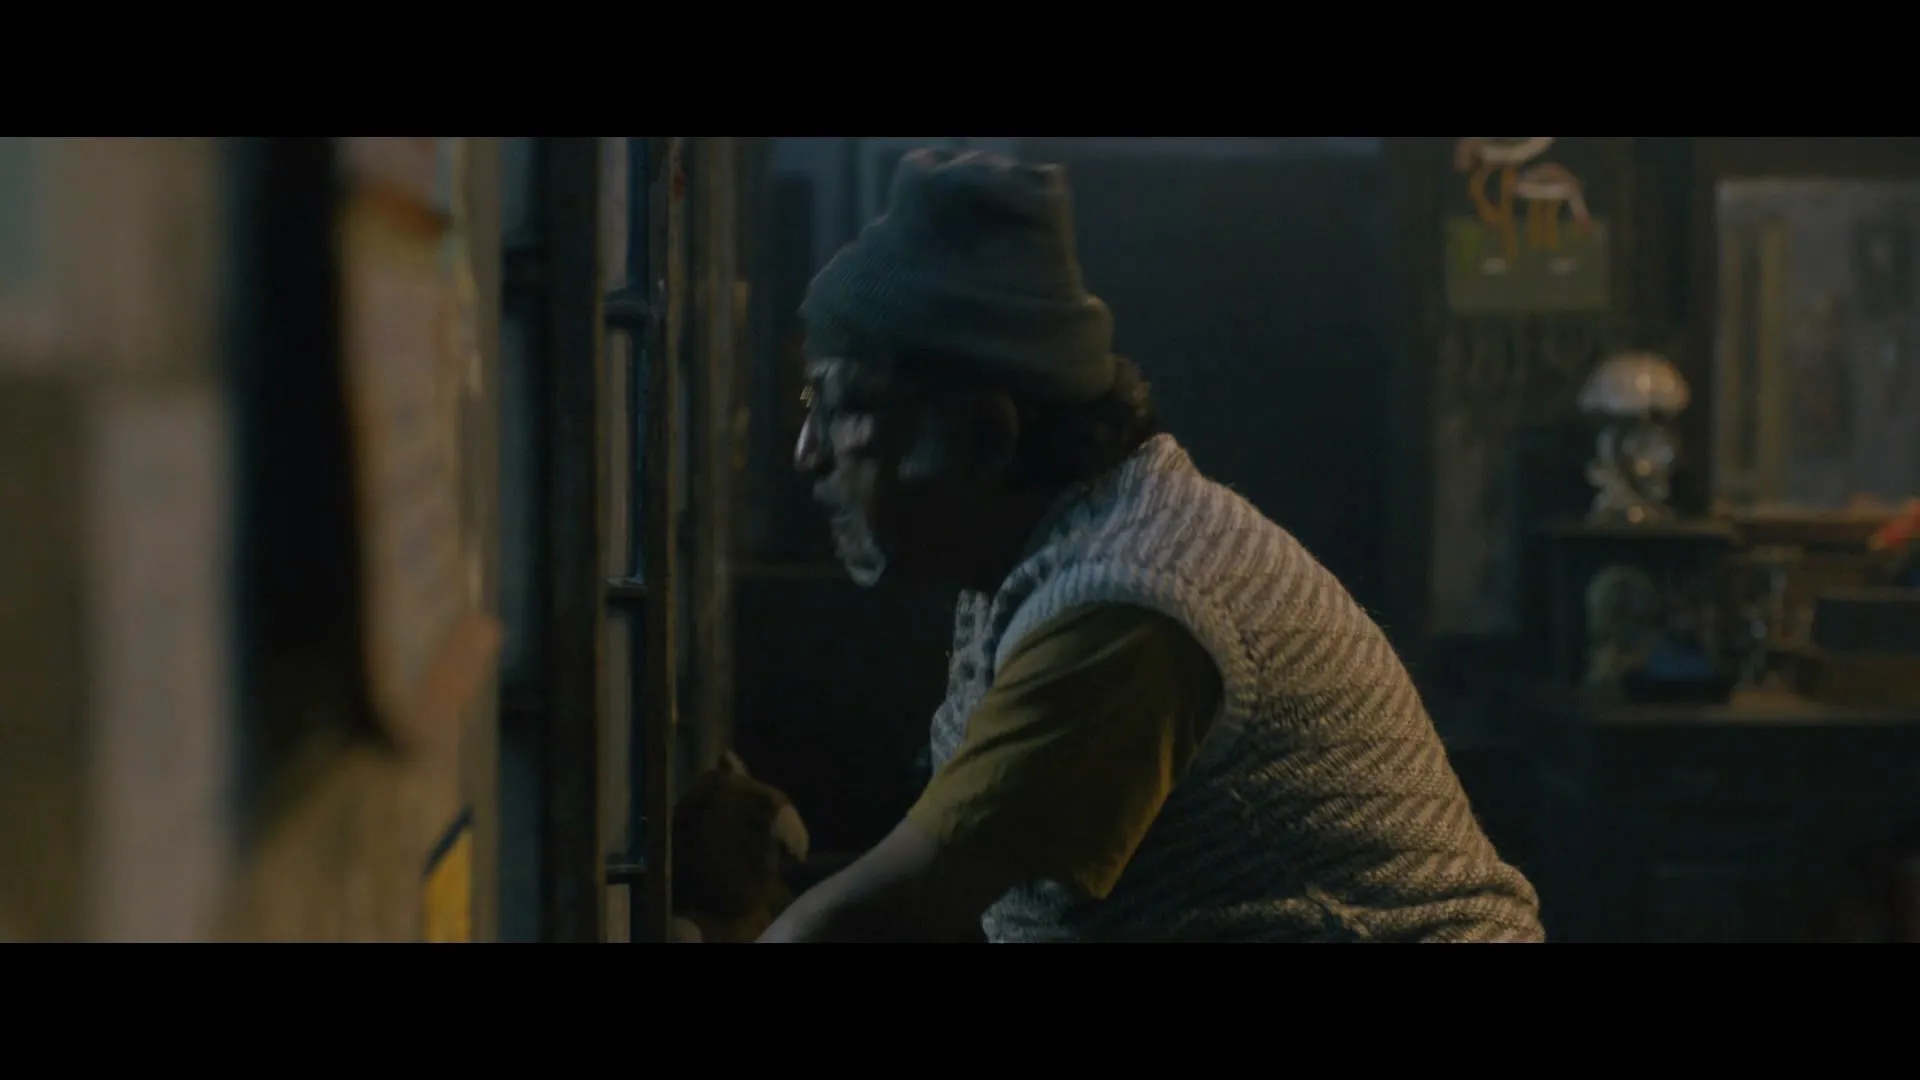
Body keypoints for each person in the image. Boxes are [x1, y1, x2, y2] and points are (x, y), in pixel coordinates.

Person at [757, 148, 1543, 943]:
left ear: (986, 434)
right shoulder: (1043, 557)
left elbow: (891, 912)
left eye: (843, 408)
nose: (806, 452)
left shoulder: (1125, 599)